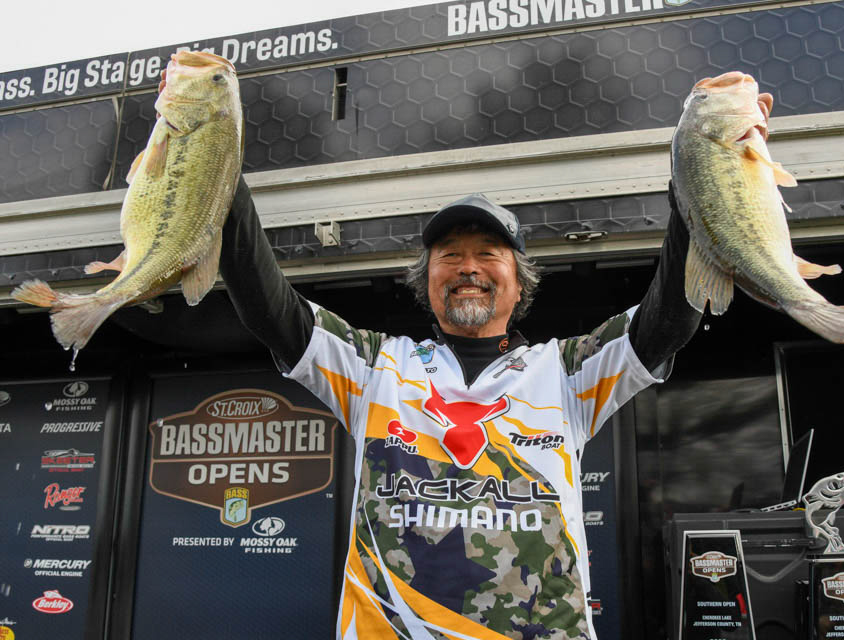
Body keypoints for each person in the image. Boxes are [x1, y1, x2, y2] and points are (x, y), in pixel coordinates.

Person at [218, 177, 701, 640]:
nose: (468, 267)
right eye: (450, 255)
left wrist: (695, 191)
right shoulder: (375, 365)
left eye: (488, 254)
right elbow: (270, 309)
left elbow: (667, 321)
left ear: (519, 284)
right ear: (426, 281)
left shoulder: (567, 370)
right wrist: (221, 175)